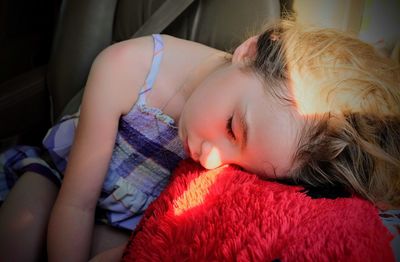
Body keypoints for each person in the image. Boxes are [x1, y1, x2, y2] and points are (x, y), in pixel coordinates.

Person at [0, 19, 399, 261]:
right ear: (248, 51)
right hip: (63, 183)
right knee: (20, 235)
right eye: (232, 128)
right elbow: (77, 203)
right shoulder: (127, 68)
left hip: (136, 222)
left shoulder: (274, 139)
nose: (211, 161)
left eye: (242, 165)